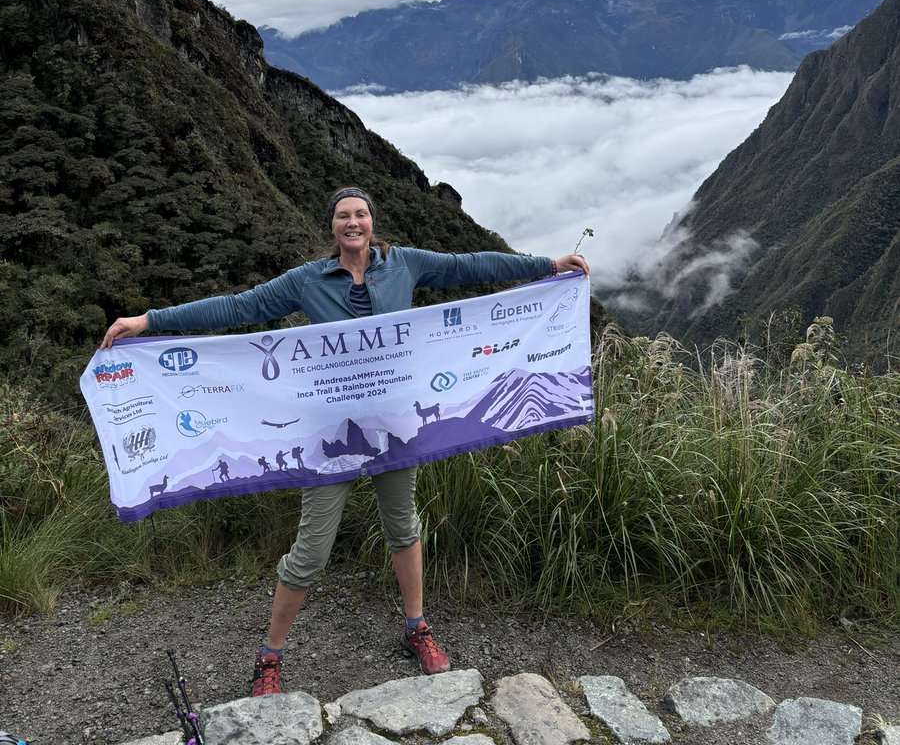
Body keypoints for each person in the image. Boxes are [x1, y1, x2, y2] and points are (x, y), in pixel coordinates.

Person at [101, 186, 590, 696]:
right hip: (327, 431)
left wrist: (548, 265)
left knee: (403, 527)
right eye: (342, 216)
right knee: (311, 550)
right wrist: (149, 321)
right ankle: (271, 655)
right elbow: (235, 307)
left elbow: (470, 266)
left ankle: (416, 627)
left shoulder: (406, 265)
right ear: (332, 226)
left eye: (360, 214)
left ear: (372, 222)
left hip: (397, 426)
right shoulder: (306, 281)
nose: (352, 222)